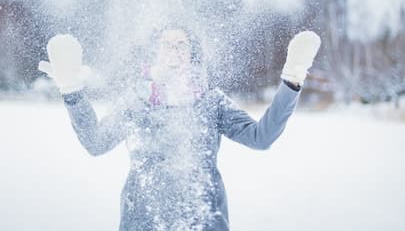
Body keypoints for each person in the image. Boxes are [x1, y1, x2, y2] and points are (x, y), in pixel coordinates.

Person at [38, 29, 321, 231]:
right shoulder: (137, 100)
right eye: (166, 43)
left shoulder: (212, 102)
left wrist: (292, 80)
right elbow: (96, 143)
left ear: (192, 55)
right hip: (142, 223)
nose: (174, 49)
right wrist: (71, 90)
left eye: (181, 44)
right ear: (154, 54)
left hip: (204, 223)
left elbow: (262, 137)